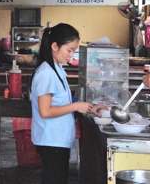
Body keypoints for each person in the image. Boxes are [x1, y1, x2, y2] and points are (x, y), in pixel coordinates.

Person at [30, 23, 107, 184]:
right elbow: (45, 111)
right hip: (51, 140)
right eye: (69, 50)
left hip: (57, 139)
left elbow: (62, 101)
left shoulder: (56, 68)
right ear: (54, 46)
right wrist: (76, 107)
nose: (71, 55)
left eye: (73, 50)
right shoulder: (46, 73)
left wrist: (89, 107)